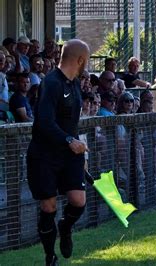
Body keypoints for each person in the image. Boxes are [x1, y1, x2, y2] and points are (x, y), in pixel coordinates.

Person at [27, 39, 90, 265]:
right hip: (45, 154)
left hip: (70, 152)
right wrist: (68, 140)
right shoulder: (51, 83)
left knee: (78, 200)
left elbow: (70, 122)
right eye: (87, 60)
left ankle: (65, 227)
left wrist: (78, 149)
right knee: (49, 205)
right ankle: (50, 255)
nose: (88, 64)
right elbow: (43, 121)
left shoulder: (74, 84)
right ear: (80, 60)